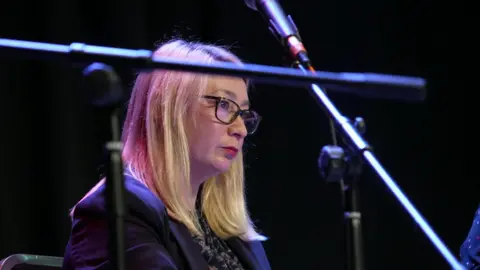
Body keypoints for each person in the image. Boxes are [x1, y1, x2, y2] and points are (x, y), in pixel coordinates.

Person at [62, 39, 271, 270]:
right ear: (170, 109)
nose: (240, 129)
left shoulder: (226, 228)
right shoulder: (119, 210)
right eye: (224, 105)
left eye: (242, 113)